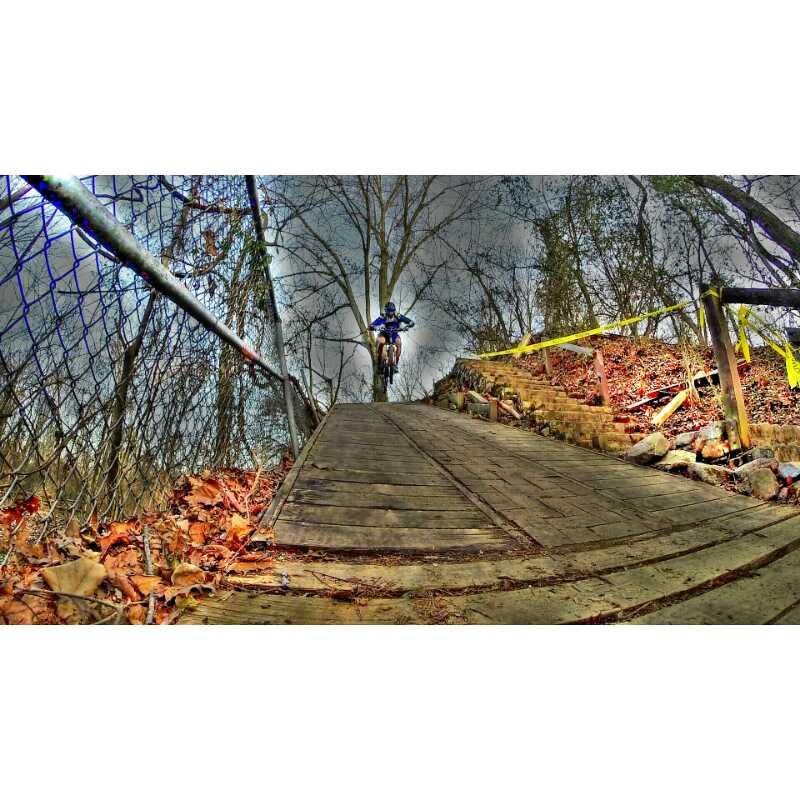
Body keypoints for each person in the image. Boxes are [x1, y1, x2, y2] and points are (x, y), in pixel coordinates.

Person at [368, 301, 414, 370]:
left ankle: (396, 364)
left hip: (394, 334)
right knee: (381, 341)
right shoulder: (383, 317)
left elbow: (408, 321)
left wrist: (409, 324)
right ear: (386, 311)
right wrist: (373, 327)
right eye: (389, 311)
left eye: (392, 311)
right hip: (384, 334)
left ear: (394, 311)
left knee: (399, 342)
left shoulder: (398, 316)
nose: (390, 313)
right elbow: (374, 323)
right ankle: (379, 361)